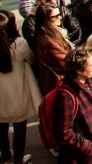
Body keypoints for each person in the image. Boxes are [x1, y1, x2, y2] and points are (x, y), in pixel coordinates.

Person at [53, 48, 92, 164]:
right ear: (79, 70)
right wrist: (88, 146)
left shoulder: (88, 83)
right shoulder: (66, 96)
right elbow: (64, 134)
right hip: (85, 156)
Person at [0, 10, 40, 164]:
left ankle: (6, 156)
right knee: (19, 127)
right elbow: (31, 59)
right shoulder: (19, 44)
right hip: (18, 93)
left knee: (1, 128)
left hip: (1, 98)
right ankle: (18, 160)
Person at [33, 3, 72, 96]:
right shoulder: (47, 40)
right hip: (60, 85)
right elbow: (65, 61)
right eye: (55, 16)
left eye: (59, 15)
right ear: (46, 19)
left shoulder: (51, 34)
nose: (60, 18)